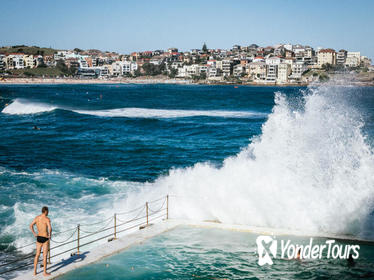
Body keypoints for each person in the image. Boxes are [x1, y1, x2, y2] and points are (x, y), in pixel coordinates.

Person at [29, 206, 52, 276]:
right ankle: (44, 272)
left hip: (38, 238)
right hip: (45, 238)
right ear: (46, 211)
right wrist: (50, 235)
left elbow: (31, 225)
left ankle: (35, 272)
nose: (48, 213)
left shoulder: (37, 218)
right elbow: (50, 228)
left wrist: (34, 233)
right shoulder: (47, 219)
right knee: (44, 256)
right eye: (48, 211)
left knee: (37, 255)